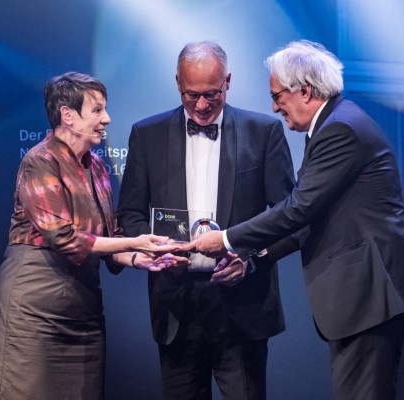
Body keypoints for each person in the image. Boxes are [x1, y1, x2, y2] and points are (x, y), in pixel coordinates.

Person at [187, 40, 404, 400]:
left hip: (370, 294)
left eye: (278, 96)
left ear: (305, 90)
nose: (274, 106)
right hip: (364, 297)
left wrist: (226, 240)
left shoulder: (340, 129)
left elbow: (299, 208)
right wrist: (254, 256)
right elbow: (308, 219)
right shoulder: (336, 122)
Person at [0, 71, 181, 400]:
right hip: (35, 308)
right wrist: (134, 242)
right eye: (97, 110)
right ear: (68, 116)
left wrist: (143, 257)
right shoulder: (40, 161)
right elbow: (65, 238)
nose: (107, 119)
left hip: (82, 310)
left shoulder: (96, 168)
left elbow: (107, 241)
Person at [116, 41, 295, 400]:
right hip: (176, 305)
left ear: (228, 81)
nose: (200, 105)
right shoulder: (146, 135)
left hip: (243, 304)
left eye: (211, 94)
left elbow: (291, 217)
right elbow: (130, 214)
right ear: (177, 84)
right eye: (190, 95)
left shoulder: (265, 132)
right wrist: (158, 253)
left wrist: (251, 259)